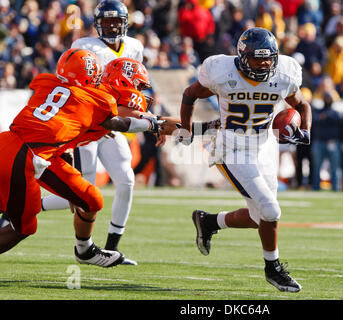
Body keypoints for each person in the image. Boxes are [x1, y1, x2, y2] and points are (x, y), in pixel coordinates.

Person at [178, 27, 312, 292]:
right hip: (232, 147)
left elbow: (302, 105)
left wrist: (304, 132)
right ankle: (273, 269)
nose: (263, 64)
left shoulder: (284, 73)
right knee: (271, 211)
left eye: (268, 58)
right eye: (256, 58)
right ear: (242, 56)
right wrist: (185, 128)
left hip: (264, 146)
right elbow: (190, 93)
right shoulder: (222, 71)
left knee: (258, 218)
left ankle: (208, 221)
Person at [0, 48, 162, 265]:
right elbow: (120, 123)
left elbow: (60, 126)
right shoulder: (95, 99)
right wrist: (151, 123)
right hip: (26, 157)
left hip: (31, 149)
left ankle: (85, 251)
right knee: (24, 227)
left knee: (90, 198)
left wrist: (66, 157)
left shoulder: (46, 83)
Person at [40, 0, 145, 265]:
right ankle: (30, 205)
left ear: (125, 23)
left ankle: (112, 246)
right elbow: (72, 83)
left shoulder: (135, 46)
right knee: (82, 190)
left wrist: (132, 114)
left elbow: (134, 86)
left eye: (116, 21)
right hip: (88, 124)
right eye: (107, 21)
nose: (111, 26)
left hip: (113, 123)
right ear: (97, 24)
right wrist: (96, 119)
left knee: (127, 180)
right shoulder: (84, 46)